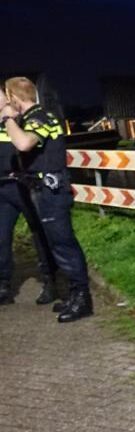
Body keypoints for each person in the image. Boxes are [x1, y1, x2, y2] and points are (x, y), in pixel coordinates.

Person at [1, 77, 92, 322]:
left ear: (14, 97)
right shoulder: (32, 118)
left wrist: (8, 118)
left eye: (7, 98)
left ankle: (82, 299)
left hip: (52, 192)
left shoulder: (40, 117)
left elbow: (23, 143)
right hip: (42, 190)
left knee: (64, 244)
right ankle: (74, 295)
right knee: (57, 244)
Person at [0, 89, 58, 306]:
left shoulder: (23, 120)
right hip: (2, 188)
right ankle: (4, 285)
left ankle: (50, 281)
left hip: (24, 185)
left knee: (39, 234)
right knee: (1, 237)